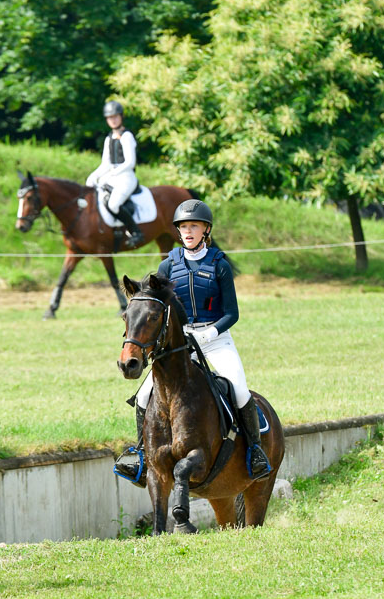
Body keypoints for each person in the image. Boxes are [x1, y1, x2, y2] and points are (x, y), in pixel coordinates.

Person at [115, 198, 271, 484]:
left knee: (238, 389)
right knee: (143, 396)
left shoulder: (220, 265)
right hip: (180, 343)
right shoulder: (167, 266)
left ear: (205, 230)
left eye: (194, 226)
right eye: (184, 226)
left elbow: (232, 313)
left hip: (216, 338)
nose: (188, 231)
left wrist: (210, 333)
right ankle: (139, 455)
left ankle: (256, 453)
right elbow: (154, 307)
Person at [86, 100, 143, 247]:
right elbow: (106, 163)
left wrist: (113, 173)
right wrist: (93, 176)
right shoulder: (108, 138)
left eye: (115, 117)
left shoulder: (127, 136)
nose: (113, 120)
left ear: (121, 117)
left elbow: (130, 162)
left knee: (113, 204)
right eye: (110, 118)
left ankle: (136, 232)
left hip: (126, 177)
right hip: (113, 176)